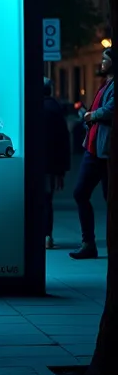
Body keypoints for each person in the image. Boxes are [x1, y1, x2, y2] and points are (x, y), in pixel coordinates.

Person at [70, 48, 113, 259]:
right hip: (93, 147)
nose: (102, 63)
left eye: (106, 60)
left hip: (104, 150)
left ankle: (91, 244)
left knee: (108, 197)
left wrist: (92, 114)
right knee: (80, 193)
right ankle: (88, 242)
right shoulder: (105, 85)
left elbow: (110, 110)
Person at [42, 78, 71, 250]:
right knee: (47, 200)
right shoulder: (56, 109)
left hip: (36, 164)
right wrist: (62, 169)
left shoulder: (33, 108)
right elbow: (63, 140)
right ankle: (47, 236)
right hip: (51, 164)